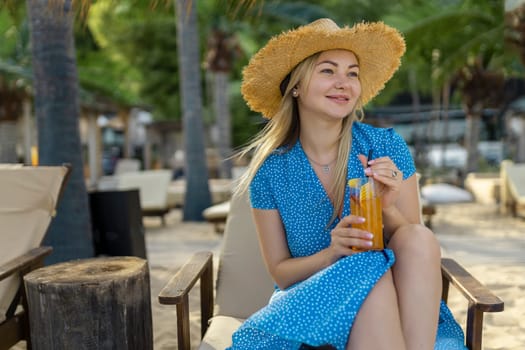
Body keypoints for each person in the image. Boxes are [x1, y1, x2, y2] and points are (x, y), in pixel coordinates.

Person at [230, 18, 466, 350]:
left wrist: (388, 210)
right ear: (296, 85)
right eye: (328, 71)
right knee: (369, 270)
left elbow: (416, 252)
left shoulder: (384, 147)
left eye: (352, 73)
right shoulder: (271, 172)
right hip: (314, 300)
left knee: (415, 240)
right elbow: (282, 273)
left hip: (401, 305)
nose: (344, 83)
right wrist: (332, 253)